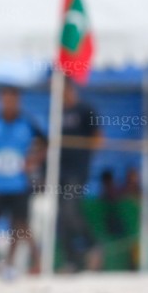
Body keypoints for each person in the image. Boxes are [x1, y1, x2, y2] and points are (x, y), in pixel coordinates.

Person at [0, 86, 43, 277]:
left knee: (19, 224)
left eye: (12, 100)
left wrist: (33, 161)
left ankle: (11, 265)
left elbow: (45, 143)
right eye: (5, 99)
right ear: (0, 100)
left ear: (18, 101)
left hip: (19, 183)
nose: (9, 104)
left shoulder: (27, 123)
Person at [56, 78, 103, 272]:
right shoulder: (58, 113)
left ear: (70, 89)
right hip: (60, 171)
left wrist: (86, 154)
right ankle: (72, 261)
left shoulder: (85, 109)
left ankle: (93, 247)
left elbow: (98, 138)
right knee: (61, 216)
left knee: (71, 210)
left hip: (78, 170)